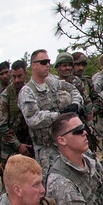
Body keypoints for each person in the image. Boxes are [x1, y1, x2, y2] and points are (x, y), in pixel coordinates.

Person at [18, 49, 84, 181]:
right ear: (33, 66)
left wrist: (75, 104)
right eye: (43, 62)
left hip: (64, 142)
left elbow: (73, 90)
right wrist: (59, 116)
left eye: (48, 61)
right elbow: (33, 119)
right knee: (53, 181)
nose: (47, 65)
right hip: (46, 147)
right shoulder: (27, 91)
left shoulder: (53, 81)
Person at [0, 59, 33, 166]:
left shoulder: (31, 91)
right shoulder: (5, 96)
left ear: (25, 74)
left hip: (29, 144)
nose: (16, 80)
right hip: (10, 147)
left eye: (19, 76)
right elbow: (2, 127)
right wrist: (18, 145)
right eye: (14, 77)